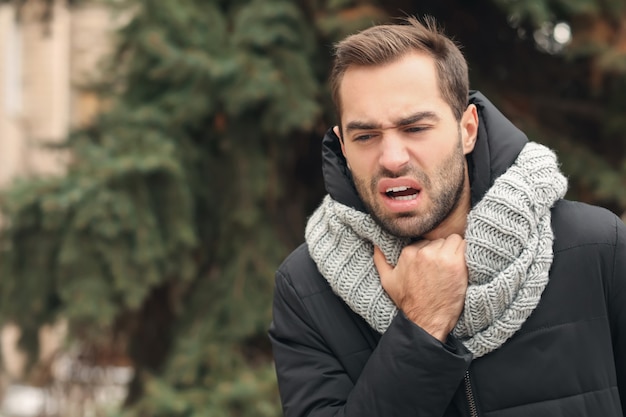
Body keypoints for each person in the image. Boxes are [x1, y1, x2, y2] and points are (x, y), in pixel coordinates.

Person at [268, 15, 626, 417]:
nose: (391, 159)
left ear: (467, 129)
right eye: (365, 136)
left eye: (415, 128)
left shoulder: (596, 246)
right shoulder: (306, 288)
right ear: (343, 146)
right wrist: (421, 326)